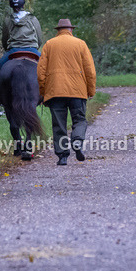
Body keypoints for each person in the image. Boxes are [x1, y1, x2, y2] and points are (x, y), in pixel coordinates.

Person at [37, 19, 97, 166]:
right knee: (80, 120)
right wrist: (90, 90)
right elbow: (90, 71)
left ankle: (62, 156)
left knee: (59, 125)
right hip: (77, 92)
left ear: (58, 30)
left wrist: (44, 92)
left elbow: (40, 72)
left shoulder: (49, 44)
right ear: (71, 30)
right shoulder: (80, 44)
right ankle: (77, 141)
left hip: (55, 92)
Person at [0, 0, 44, 108]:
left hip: (13, 50)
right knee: (48, 68)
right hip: (32, 49)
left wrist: (8, 49)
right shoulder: (33, 19)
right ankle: (48, 96)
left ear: (11, 6)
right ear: (23, 4)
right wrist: (35, 47)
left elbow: (5, 38)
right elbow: (39, 36)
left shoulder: (8, 20)